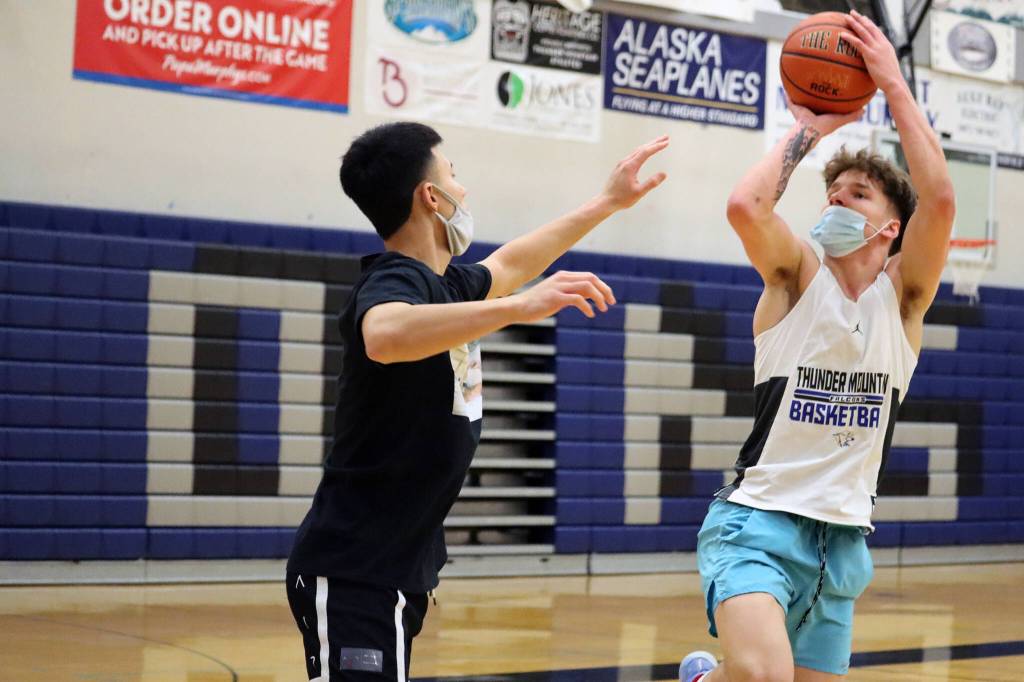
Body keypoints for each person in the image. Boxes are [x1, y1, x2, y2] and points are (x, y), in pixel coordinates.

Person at [286, 121, 669, 681]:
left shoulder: (444, 286)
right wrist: (517, 310)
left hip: (391, 569)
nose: (464, 191)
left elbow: (513, 263)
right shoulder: (392, 280)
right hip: (353, 570)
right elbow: (385, 335)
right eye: (454, 176)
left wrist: (608, 202)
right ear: (430, 196)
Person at [681, 11, 955, 682]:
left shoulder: (904, 301)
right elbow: (747, 207)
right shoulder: (796, 278)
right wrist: (814, 126)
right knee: (763, 677)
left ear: (891, 227)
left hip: (842, 544)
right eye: (831, 193)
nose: (836, 202)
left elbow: (941, 199)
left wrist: (889, 82)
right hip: (757, 525)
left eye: (856, 195)